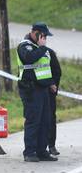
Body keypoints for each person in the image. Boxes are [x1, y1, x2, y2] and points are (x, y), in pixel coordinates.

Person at [16, 22, 58, 162]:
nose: (45, 38)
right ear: (35, 33)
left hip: (43, 88)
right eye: (43, 35)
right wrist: (41, 47)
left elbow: (45, 67)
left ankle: (41, 150)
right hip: (30, 89)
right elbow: (29, 58)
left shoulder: (41, 48)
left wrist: (51, 82)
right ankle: (29, 152)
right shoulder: (25, 45)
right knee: (33, 121)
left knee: (45, 120)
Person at [46, 46, 62, 155]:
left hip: (49, 91)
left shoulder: (49, 52)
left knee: (51, 118)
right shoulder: (27, 52)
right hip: (34, 92)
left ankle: (51, 145)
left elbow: (57, 71)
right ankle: (36, 147)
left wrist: (53, 85)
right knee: (35, 120)